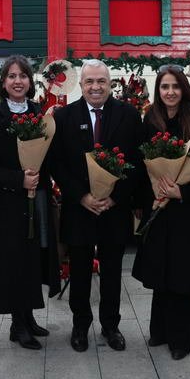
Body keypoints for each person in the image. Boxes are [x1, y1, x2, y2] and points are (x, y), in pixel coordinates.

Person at [50, 59, 143, 353]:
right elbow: (58, 163)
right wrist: (82, 196)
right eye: (89, 81)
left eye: (101, 81)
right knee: (78, 270)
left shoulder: (129, 115)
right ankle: (80, 325)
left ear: (110, 83)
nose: (95, 87)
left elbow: (138, 162)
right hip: (80, 209)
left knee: (113, 271)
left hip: (114, 209)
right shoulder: (64, 117)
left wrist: (116, 197)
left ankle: (111, 326)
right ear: (81, 84)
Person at [0, 55, 60, 350]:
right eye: (11, 76)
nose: (17, 81)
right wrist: (18, 180)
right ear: (3, 82)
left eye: (23, 76)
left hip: (37, 198)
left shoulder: (40, 115)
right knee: (14, 261)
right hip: (7, 205)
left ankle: (28, 316)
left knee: (33, 258)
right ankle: (18, 324)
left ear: (30, 81)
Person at [132, 65, 190, 360]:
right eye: (164, 87)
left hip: (186, 211)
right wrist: (147, 197)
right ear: (158, 90)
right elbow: (141, 166)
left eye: (175, 87)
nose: (170, 92)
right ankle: (160, 330)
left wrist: (184, 192)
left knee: (182, 273)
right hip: (158, 208)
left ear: (183, 89)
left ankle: (181, 338)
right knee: (159, 269)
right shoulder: (149, 119)